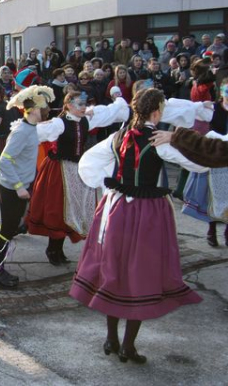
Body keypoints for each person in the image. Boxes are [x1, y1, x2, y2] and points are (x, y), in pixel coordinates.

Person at [71, 88, 204, 364]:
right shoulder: (160, 140)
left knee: (114, 271)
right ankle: (127, 346)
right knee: (141, 277)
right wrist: (180, 139)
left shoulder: (118, 136)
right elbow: (197, 163)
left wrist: (110, 185)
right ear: (157, 111)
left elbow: (89, 163)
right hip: (147, 214)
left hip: (116, 208)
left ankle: (112, 338)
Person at [27, 90, 129, 264]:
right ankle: (53, 249)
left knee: (74, 210)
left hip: (78, 169)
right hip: (59, 170)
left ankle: (58, 249)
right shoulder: (58, 123)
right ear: (68, 105)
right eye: (79, 104)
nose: (84, 107)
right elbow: (31, 134)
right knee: (59, 210)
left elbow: (110, 112)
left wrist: (119, 100)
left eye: (84, 103)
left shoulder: (86, 120)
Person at [0, 85, 55, 288]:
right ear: (34, 109)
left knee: (10, 229)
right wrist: (19, 186)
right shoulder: (22, 131)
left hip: (20, 187)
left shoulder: (31, 128)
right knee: (7, 231)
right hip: (12, 189)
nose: (47, 111)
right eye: (44, 107)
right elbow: (4, 161)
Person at [181, 77, 228, 246]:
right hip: (214, 155)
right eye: (226, 91)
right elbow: (195, 118)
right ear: (221, 92)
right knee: (212, 194)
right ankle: (212, 230)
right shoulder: (213, 108)